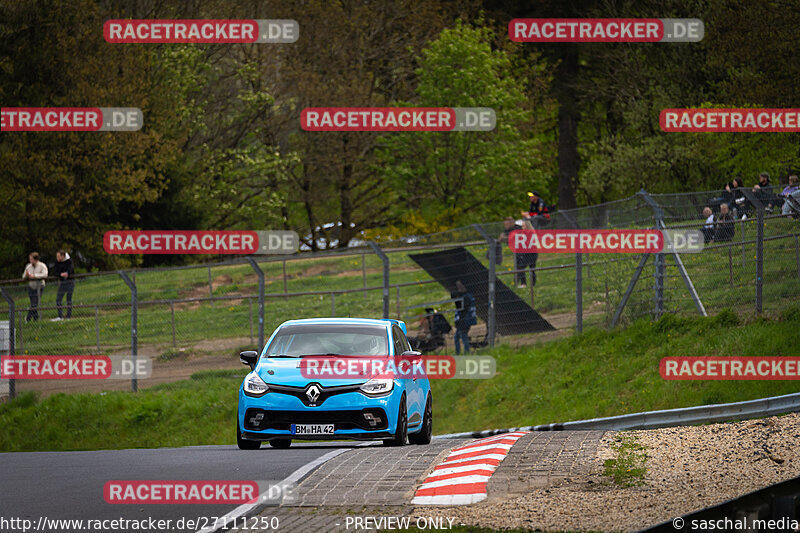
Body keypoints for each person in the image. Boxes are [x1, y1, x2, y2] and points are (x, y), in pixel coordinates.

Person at [452, 280, 476, 355]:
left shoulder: (466, 298)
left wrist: (460, 321)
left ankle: (466, 352)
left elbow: (463, 309)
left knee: (463, 337)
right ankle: (458, 352)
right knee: (457, 337)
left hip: (464, 321)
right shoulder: (467, 296)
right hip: (463, 321)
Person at [500, 217, 526, 286]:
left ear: (511, 223)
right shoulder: (507, 230)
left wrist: (505, 237)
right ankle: (517, 283)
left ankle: (522, 283)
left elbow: (512, 237)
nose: (505, 226)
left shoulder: (517, 228)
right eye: (505, 224)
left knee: (520, 266)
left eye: (507, 224)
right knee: (518, 266)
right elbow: (500, 238)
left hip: (524, 249)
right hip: (516, 250)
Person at [22, 252, 48, 322]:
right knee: (33, 303)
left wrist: (35, 276)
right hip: (31, 287)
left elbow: (45, 274)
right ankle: (35, 319)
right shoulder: (28, 266)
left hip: (39, 287)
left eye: (31, 259)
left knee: (34, 303)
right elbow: (24, 276)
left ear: (36, 259)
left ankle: (28, 318)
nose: (30, 261)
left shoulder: (42, 265)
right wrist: (27, 276)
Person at [51, 250, 75, 321]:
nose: (57, 258)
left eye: (58, 256)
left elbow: (70, 270)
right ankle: (60, 316)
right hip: (62, 282)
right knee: (58, 299)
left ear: (63, 256)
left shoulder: (69, 261)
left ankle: (68, 316)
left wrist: (67, 273)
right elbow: (55, 272)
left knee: (69, 299)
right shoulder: (57, 263)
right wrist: (60, 274)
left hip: (70, 282)